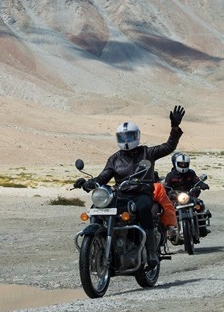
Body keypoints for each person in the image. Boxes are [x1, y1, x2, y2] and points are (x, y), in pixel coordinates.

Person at [76, 105, 185, 270]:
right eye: (123, 137)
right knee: (96, 208)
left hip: (142, 194)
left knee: (143, 208)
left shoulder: (147, 153)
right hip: (121, 195)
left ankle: (151, 253)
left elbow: (168, 147)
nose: (126, 140)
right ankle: (98, 245)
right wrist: (89, 183)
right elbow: (104, 176)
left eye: (130, 136)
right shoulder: (114, 159)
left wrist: (174, 128)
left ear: (137, 136)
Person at [164, 152, 211, 235]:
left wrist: (202, 184)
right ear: (175, 164)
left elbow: (197, 180)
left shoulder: (191, 173)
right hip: (176, 198)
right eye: (181, 164)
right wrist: (166, 190)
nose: (182, 166)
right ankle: (168, 230)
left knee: (199, 204)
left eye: (184, 164)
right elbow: (166, 186)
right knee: (167, 209)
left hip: (189, 196)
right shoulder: (170, 175)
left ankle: (202, 227)